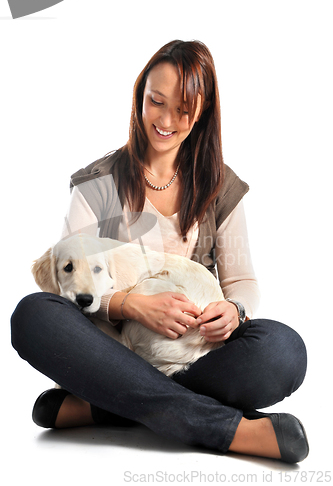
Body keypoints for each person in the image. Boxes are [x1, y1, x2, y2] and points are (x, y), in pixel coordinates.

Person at [11, 40, 308, 463]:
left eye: (183, 109)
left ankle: (105, 404)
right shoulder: (97, 184)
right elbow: (72, 288)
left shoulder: (221, 186)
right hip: (110, 349)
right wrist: (134, 306)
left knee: (284, 351)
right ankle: (221, 426)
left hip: (193, 353)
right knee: (34, 314)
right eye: (156, 101)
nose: (166, 120)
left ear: (202, 111)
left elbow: (242, 282)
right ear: (139, 99)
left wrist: (235, 310)